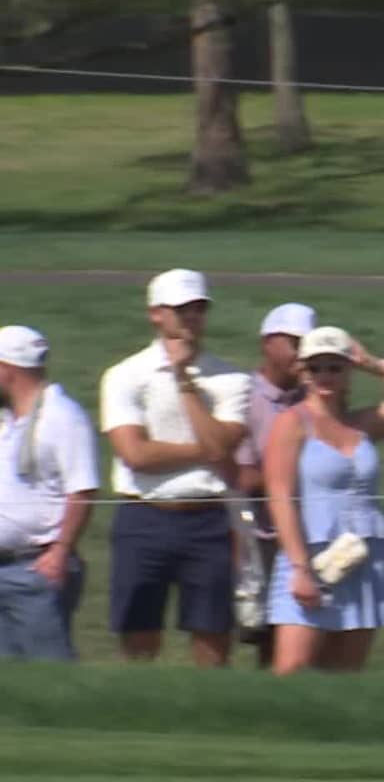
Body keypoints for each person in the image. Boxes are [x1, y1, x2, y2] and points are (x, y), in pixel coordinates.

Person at [263, 326, 384, 675]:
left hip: (364, 556)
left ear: (348, 370)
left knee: (344, 673)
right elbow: (280, 496)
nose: (325, 375)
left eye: (335, 366)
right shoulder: (292, 423)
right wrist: (300, 568)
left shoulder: (362, 424)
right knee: (292, 669)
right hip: (311, 557)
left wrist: (374, 364)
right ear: (302, 370)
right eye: (315, 367)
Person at [100, 269, 251, 666]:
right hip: (144, 514)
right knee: (138, 628)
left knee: (212, 632)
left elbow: (223, 446)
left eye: (198, 308)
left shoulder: (232, 378)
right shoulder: (125, 375)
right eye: (180, 309)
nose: (191, 317)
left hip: (208, 518)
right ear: (156, 314)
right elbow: (136, 455)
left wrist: (184, 381)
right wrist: (207, 448)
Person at [0, 326, 98, 661]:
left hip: (35, 569)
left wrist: (60, 551)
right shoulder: (7, 420)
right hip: (5, 567)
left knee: (50, 671)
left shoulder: (62, 417)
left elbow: (82, 490)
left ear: (7, 369)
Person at [231, 301, 316, 666]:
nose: (303, 354)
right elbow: (243, 476)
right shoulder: (245, 397)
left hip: (303, 529)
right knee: (257, 627)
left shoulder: (315, 397)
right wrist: (288, 475)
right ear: (268, 343)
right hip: (255, 531)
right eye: (295, 343)